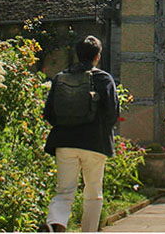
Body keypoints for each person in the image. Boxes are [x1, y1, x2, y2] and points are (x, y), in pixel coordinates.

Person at [44, 36, 119, 232]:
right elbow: (112, 113)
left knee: (64, 191)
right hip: (95, 142)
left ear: (77, 55)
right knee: (93, 192)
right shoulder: (104, 79)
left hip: (64, 141)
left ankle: (57, 222)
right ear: (97, 56)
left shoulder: (61, 78)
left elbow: (49, 113)